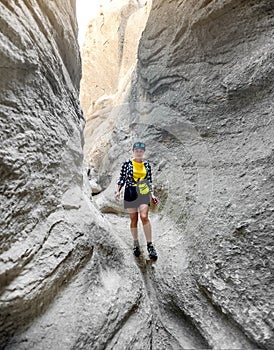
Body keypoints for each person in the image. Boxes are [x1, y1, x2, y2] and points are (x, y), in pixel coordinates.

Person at [115, 141, 159, 260]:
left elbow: (149, 181)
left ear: (143, 152)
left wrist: (152, 195)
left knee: (144, 216)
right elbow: (122, 179)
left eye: (141, 151)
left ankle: (150, 245)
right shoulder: (127, 164)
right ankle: (135, 243)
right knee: (133, 219)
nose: (139, 153)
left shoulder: (147, 165)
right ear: (133, 151)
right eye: (136, 151)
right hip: (130, 192)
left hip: (143, 190)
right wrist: (118, 191)